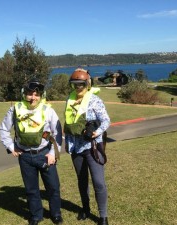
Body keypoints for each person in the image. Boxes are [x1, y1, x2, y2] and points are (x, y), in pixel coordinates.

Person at [0, 78, 63, 225]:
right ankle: (36, 215)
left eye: (36, 94)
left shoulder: (48, 110)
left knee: (53, 187)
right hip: (25, 156)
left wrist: (53, 153)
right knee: (31, 189)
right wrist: (11, 146)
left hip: (45, 154)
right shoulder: (15, 109)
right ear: (24, 94)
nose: (33, 97)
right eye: (30, 94)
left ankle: (56, 214)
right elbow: (3, 129)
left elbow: (58, 133)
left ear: (41, 96)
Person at [63, 68, 110, 225]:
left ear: (87, 84)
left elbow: (106, 121)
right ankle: (85, 208)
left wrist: (96, 132)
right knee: (82, 180)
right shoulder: (69, 100)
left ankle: (103, 216)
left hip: (92, 148)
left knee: (98, 182)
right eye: (74, 85)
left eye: (81, 84)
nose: (78, 88)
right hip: (75, 148)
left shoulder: (95, 100)